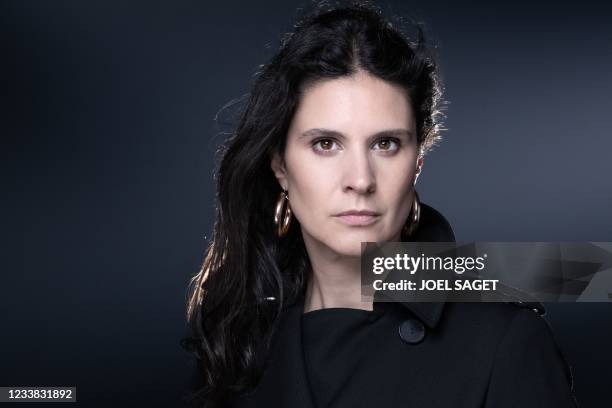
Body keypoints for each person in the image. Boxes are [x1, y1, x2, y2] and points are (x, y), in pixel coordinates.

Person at [182, 2, 578, 407]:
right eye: (326, 144)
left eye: (386, 144)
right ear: (280, 166)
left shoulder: (503, 341)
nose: (361, 180)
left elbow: (579, 271)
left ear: (417, 163)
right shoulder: (234, 342)